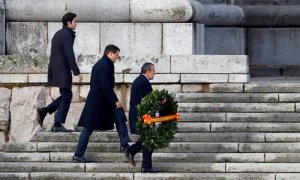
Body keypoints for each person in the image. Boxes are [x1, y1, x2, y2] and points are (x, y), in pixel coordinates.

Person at [73, 44, 130, 163]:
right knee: (88, 128)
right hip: (99, 102)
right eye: (116, 55)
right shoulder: (105, 65)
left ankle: (125, 145)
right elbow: (105, 86)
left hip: (103, 101)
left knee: (119, 117)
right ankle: (78, 155)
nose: (117, 58)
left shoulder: (104, 64)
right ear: (110, 53)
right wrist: (115, 100)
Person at [37, 12, 83, 132]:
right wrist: (77, 72)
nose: (76, 24)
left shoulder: (59, 33)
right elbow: (69, 54)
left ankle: (45, 111)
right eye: (75, 21)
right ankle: (57, 124)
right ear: (69, 22)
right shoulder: (66, 35)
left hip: (57, 69)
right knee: (67, 96)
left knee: (66, 95)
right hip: (62, 70)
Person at [125, 62, 159, 173]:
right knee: (148, 140)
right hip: (142, 116)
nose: (154, 73)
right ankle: (146, 166)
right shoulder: (144, 82)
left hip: (139, 115)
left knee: (147, 139)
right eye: (153, 71)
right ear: (147, 71)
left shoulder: (140, 80)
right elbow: (148, 100)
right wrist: (161, 101)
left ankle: (131, 151)